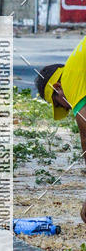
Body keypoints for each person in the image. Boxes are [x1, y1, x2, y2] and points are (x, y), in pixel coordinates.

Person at [36, 48, 86, 223]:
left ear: (57, 87)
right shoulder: (77, 67)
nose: (68, 108)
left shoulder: (72, 83)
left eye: (59, 105)